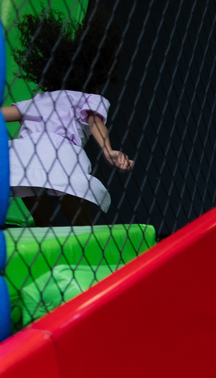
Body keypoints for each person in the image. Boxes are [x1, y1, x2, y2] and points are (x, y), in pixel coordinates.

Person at [3, 7, 133, 227]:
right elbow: (95, 121)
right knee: (79, 217)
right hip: (62, 154)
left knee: (36, 206)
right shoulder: (87, 97)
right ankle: (86, 235)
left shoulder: (41, 99)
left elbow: (4, 114)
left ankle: (45, 228)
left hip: (24, 153)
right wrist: (107, 149)